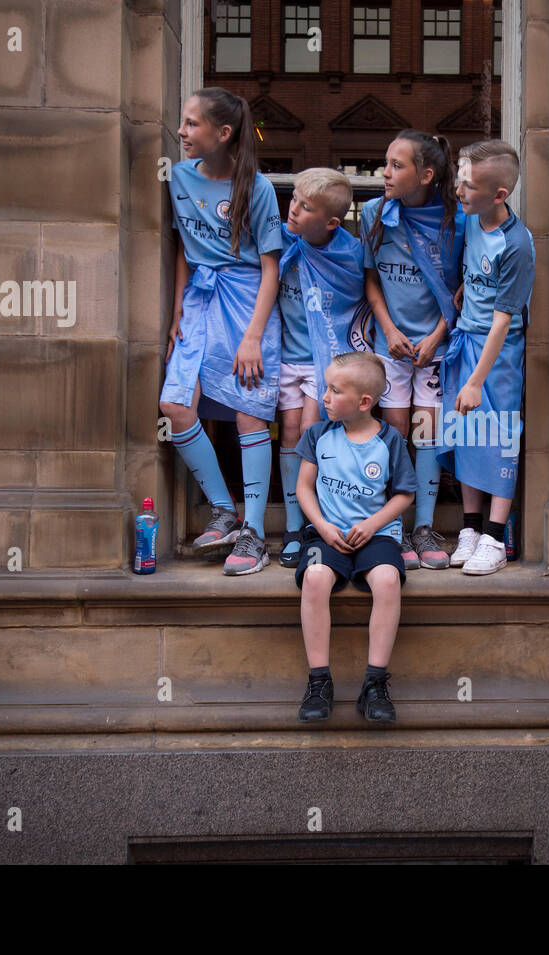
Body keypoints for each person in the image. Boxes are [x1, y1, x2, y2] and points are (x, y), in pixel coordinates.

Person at [160, 87, 282, 576]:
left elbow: (272, 267)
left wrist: (253, 335)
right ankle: (223, 509)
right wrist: (175, 313)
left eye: (191, 124)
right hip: (199, 301)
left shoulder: (258, 188)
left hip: (248, 300)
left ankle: (253, 533)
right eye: (182, 122)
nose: (181, 132)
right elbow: (182, 249)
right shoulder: (178, 178)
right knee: (174, 405)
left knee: (248, 411)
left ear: (222, 134)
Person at [360, 131, 464, 571]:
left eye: (396, 165)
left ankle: (424, 527)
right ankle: (394, 527)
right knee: (396, 430)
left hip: (435, 346)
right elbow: (370, 279)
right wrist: (388, 329)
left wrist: (437, 336)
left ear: (426, 175)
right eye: (386, 162)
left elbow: (464, 289)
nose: (385, 173)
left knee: (428, 432)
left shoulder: (458, 221)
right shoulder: (373, 214)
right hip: (392, 344)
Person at [293, 352, 416, 724]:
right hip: (325, 533)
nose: (324, 396)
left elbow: (404, 494)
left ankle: (374, 684)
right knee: (314, 578)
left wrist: (374, 523)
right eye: (325, 387)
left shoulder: (389, 441)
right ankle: (319, 682)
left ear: (364, 402)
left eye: (334, 390)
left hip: (376, 536)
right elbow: (303, 488)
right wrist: (323, 526)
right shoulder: (317, 435)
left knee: (388, 580)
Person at [440, 139, 533, 575]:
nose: (459, 190)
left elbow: (502, 321)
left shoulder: (516, 244)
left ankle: (495, 537)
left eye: (469, 185)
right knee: (465, 436)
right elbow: (472, 273)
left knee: (498, 439)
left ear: (499, 195)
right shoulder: (470, 218)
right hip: (464, 339)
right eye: (459, 179)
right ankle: (471, 529)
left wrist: (477, 380)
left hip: (497, 354)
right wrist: (464, 288)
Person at [275, 168, 366, 569]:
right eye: (293, 199)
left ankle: (311, 525)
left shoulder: (350, 253)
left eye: (305, 206)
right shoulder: (280, 239)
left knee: (310, 434)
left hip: (324, 360)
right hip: (287, 355)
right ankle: (294, 525)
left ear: (331, 222)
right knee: (290, 431)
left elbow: (358, 304)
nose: (293, 210)